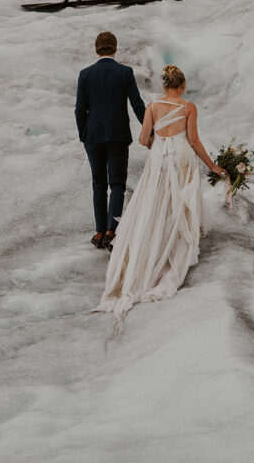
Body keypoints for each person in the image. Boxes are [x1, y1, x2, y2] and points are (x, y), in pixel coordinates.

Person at [96, 64, 227, 324]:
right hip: (182, 157)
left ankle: (152, 246)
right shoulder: (189, 107)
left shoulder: (153, 107)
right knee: (178, 202)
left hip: (159, 158)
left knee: (155, 203)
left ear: (164, 85)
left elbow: (144, 139)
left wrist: (158, 143)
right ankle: (174, 246)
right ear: (182, 86)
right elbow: (194, 140)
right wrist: (212, 166)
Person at [75, 31, 146, 250]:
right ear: (115, 48)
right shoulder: (124, 72)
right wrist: (150, 130)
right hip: (117, 136)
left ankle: (98, 232)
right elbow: (136, 103)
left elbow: (80, 109)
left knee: (98, 184)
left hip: (93, 137)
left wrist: (83, 134)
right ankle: (111, 231)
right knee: (117, 184)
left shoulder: (85, 74)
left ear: (97, 49)